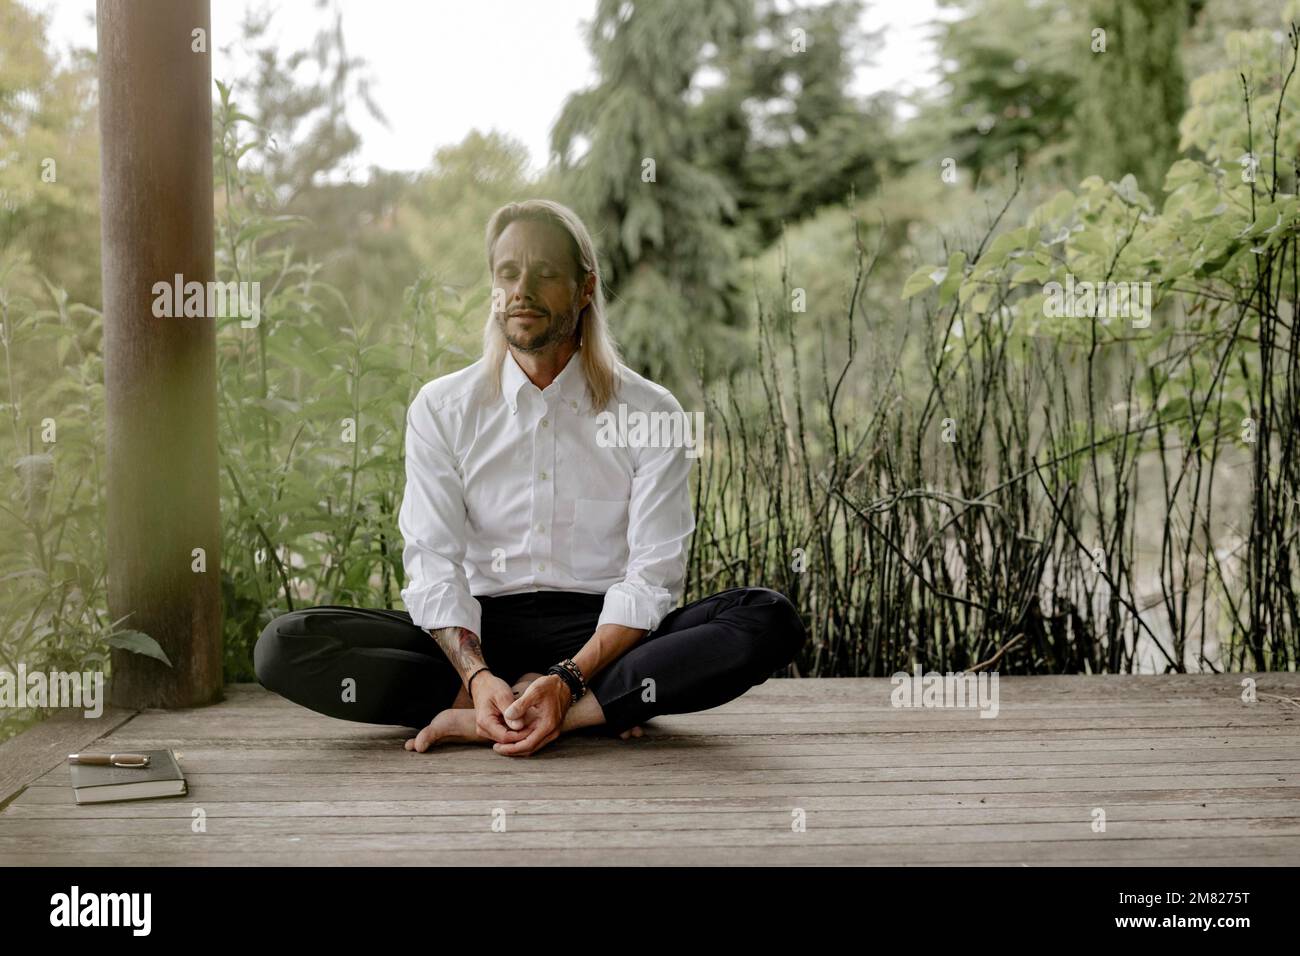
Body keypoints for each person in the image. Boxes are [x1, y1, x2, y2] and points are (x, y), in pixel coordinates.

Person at [254, 198, 806, 757]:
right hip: (481, 635)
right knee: (285, 645)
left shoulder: (652, 411)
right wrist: (478, 676)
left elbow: (654, 577)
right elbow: (434, 565)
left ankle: (550, 714)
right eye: (508, 273)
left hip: (604, 641)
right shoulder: (442, 407)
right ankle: (540, 706)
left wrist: (568, 680)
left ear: (585, 288)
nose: (522, 290)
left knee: (768, 618)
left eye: (545, 273)